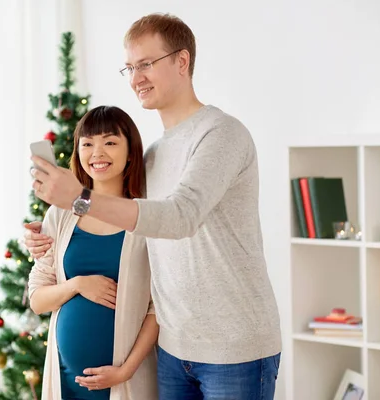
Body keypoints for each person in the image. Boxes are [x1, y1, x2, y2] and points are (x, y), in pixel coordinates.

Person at [26, 13, 282, 400]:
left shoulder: (221, 134)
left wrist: (77, 198)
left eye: (146, 64)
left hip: (233, 347)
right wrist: (43, 237)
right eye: (129, 67)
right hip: (174, 349)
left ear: (182, 61)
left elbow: (179, 217)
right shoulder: (154, 157)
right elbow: (119, 212)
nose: (135, 78)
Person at [27, 105, 158, 400]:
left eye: (110, 142)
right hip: (67, 381)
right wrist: (77, 284)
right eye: (87, 144)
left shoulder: (147, 217)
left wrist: (125, 371)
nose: (97, 153)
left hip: (127, 378)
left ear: (131, 152)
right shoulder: (59, 216)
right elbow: (37, 300)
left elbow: (157, 308)